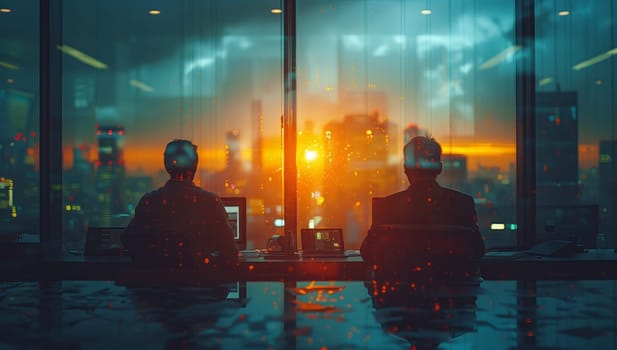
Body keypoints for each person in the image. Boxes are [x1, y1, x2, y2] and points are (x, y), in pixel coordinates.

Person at [362, 136, 485, 261]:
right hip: (450, 279)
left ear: (405, 168)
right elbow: (477, 249)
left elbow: (369, 252)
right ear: (440, 168)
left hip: (403, 279)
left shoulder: (387, 206)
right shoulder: (462, 204)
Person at [122, 139, 239, 269]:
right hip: (200, 286)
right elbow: (230, 253)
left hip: (156, 285)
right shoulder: (210, 202)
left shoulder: (150, 201)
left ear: (167, 166)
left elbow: (129, 241)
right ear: (194, 167)